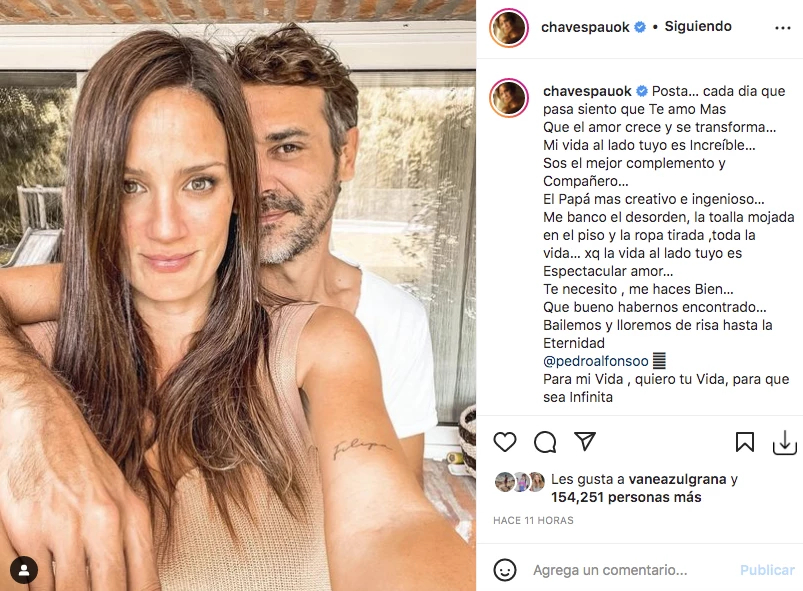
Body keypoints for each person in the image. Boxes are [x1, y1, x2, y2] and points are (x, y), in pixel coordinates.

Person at [0, 30, 473, 591]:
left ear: (234, 193)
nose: (165, 228)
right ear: (93, 191)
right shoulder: (33, 349)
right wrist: (32, 409)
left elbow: (387, 520)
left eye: (200, 182)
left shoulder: (324, 343)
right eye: (129, 185)